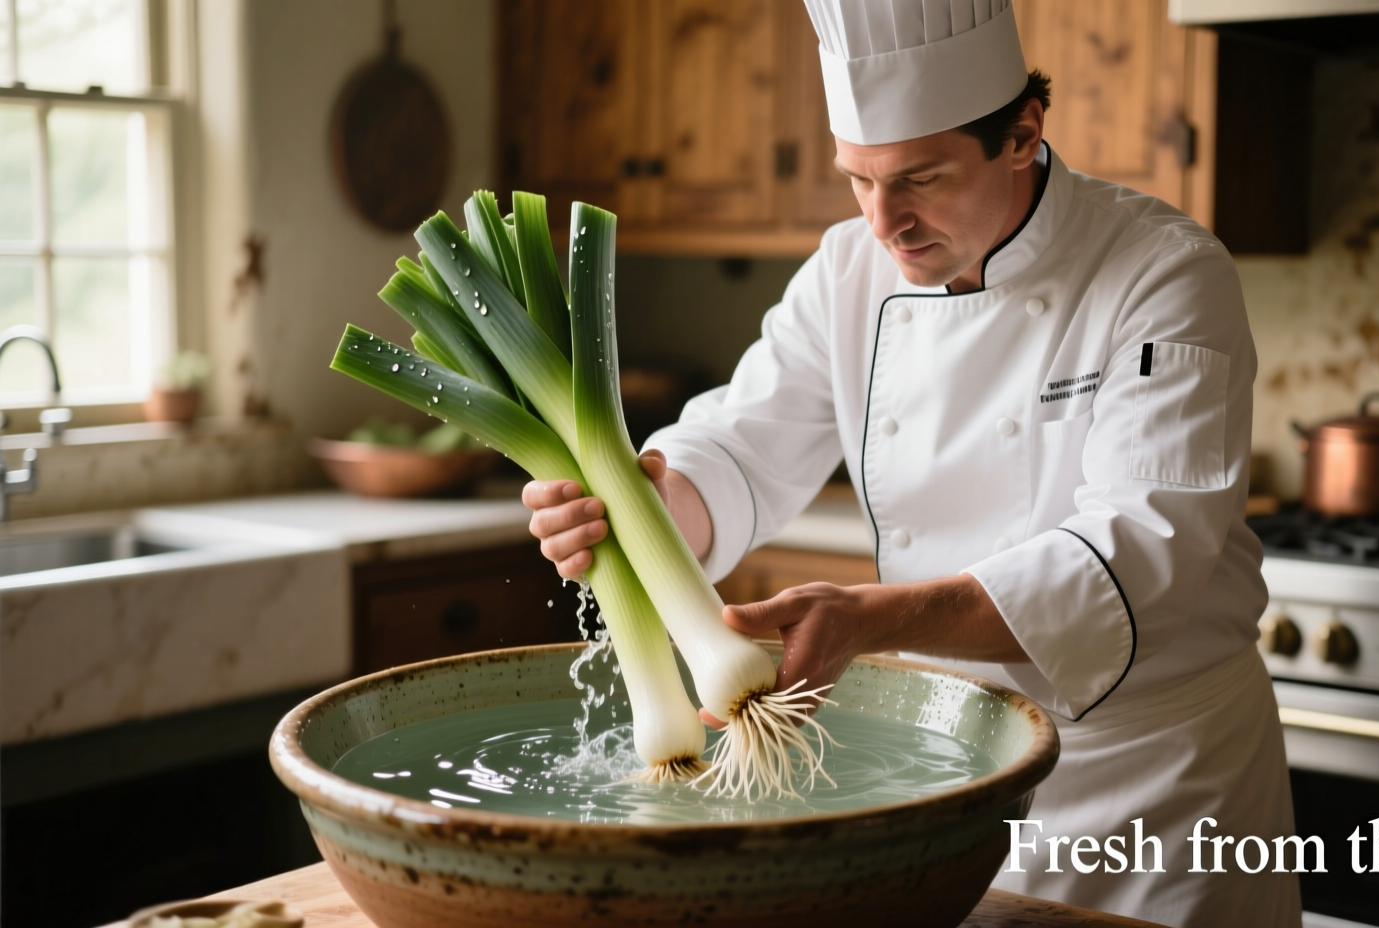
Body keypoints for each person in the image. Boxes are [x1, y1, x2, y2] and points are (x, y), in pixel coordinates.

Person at [524, 1, 1300, 924]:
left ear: (1022, 134)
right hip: (950, 772)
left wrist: (865, 619)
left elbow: (1136, 558)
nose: (885, 222)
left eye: (920, 178)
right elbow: (739, 447)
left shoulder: (1162, 272)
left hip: (1155, 791)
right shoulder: (848, 273)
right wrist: (644, 512)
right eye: (858, 180)